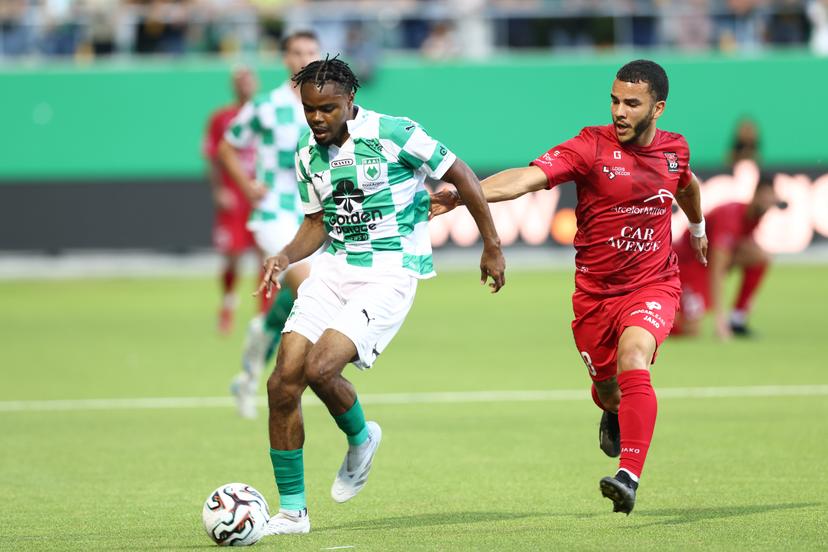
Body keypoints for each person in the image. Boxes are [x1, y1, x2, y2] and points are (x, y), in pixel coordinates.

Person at [431, 60, 708, 515]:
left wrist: (696, 226)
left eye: (632, 104)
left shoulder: (675, 149)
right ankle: (611, 407)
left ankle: (629, 475)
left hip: (653, 284)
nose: (620, 111)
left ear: (658, 108)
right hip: (595, 296)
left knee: (635, 356)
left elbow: (687, 183)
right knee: (608, 388)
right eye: (615, 100)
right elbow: (524, 178)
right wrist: (465, 193)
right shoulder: (590, 146)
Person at [256, 56, 506, 536]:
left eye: (327, 108)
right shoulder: (308, 154)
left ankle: (361, 435)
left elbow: (463, 177)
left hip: (390, 271)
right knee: (282, 382)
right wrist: (285, 256)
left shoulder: (396, 133)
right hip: (333, 270)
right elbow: (316, 224)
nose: (317, 119)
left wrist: (491, 245)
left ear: (351, 102)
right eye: (309, 109)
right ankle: (292, 513)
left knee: (320, 368)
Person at [217, 31, 320, 419]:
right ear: (285, 58)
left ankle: (256, 350)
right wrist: (246, 186)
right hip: (275, 211)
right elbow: (228, 145)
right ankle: (294, 379)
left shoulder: (328, 103)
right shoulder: (267, 106)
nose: (304, 58)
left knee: (308, 294)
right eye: (297, 52)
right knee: (310, 287)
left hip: (316, 215)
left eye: (311, 51)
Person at [673, 172, 780, 339]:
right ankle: (657, 326)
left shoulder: (753, 217)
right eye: (767, 195)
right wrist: (720, 321)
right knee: (690, 330)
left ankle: (738, 319)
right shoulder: (731, 218)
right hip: (686, 264)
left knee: (760, 257)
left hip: (704, 262)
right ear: (757, 194)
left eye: (772, 196)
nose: (770, 201)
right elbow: (717, 268)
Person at [203, 67, 259, 335]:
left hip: (260, 195)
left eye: (248, 80)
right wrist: (217, 190)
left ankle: (264, 312)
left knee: (267, 254)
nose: (245, 85)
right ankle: (228, 302)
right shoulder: (221, 118)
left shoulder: (266, 114)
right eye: (240, 81)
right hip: (234, 194)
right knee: (232, 255)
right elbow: (213, 156)